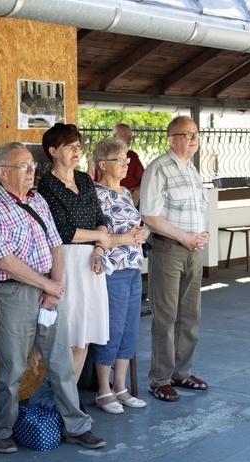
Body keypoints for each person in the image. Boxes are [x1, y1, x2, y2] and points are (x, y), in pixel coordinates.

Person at [0, 142, 106, 452]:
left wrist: (55, 284)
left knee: (61, 361)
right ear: (2, 172)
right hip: (12, 293)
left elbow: (55, 245)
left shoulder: (38, 201)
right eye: (23, 166)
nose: (31, 171)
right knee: (12, 367)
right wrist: (49, 286)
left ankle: (76, 426)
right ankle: (3, 430)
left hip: (48, 290)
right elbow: (5, 261)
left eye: (31, 165)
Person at [140, 116, 210, 403]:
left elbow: (197, 211)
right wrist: (184, 237)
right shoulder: (159, 169)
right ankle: (159, 379)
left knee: (190, 316)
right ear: (172, 139)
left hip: (194, 250)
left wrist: (200, 235)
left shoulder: (192, 170)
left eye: (196, 134)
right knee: (166, 316)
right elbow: (150, 216)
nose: (194, 139)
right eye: (188, 134)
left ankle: (182, 373)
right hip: (169, 249)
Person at [37, 123, 111, 381]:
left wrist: (99, 249)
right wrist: (100, 236)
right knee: (68, 338)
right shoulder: (47, 185)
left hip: (92, 262)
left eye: (78, 145)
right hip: (66, 262)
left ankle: (72, 402)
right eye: (69, 146)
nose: (76, 150)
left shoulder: (84, 179)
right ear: (53, 151)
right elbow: (62, 231)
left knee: (85, 338)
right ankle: (62, 402)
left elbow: (100, 218)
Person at [91, 137, 150, 414]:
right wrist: (126, 237)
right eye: (121, 161)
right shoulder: (95, 194)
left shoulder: (126, 193)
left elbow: (133, 227)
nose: (127, 165)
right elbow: (100, 235)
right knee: (111, 329)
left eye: (127, 160)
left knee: (130, 329)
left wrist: (142, 233)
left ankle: (121, 387)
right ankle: (103, 390)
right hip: (111, 270)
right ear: (103, 164)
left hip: (133, 267)